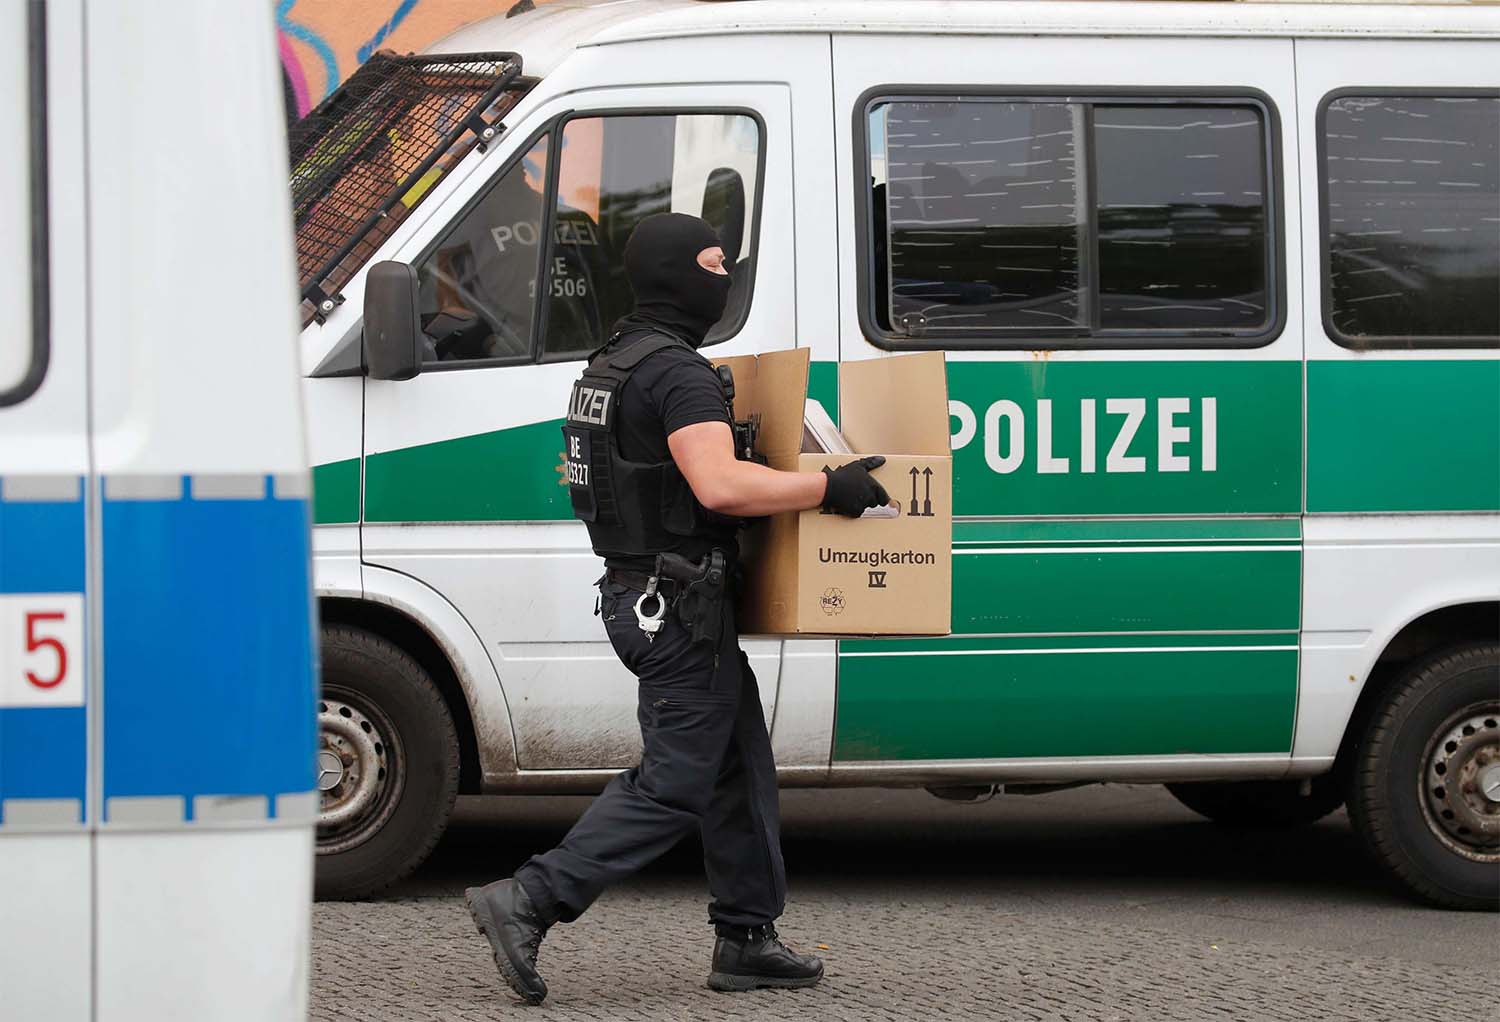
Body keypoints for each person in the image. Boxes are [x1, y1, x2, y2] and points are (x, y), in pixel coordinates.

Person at [464, 212, 891, 1005]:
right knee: (677, 780)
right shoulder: (679, 373)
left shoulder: (612, 363)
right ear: (675, 274)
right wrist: (830, 487)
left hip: (649, 592)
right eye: (713, 261)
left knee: (734, 761)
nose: (724, 274)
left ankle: (746, 936)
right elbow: (720, 486)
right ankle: (528, 899)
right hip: (677, 600)